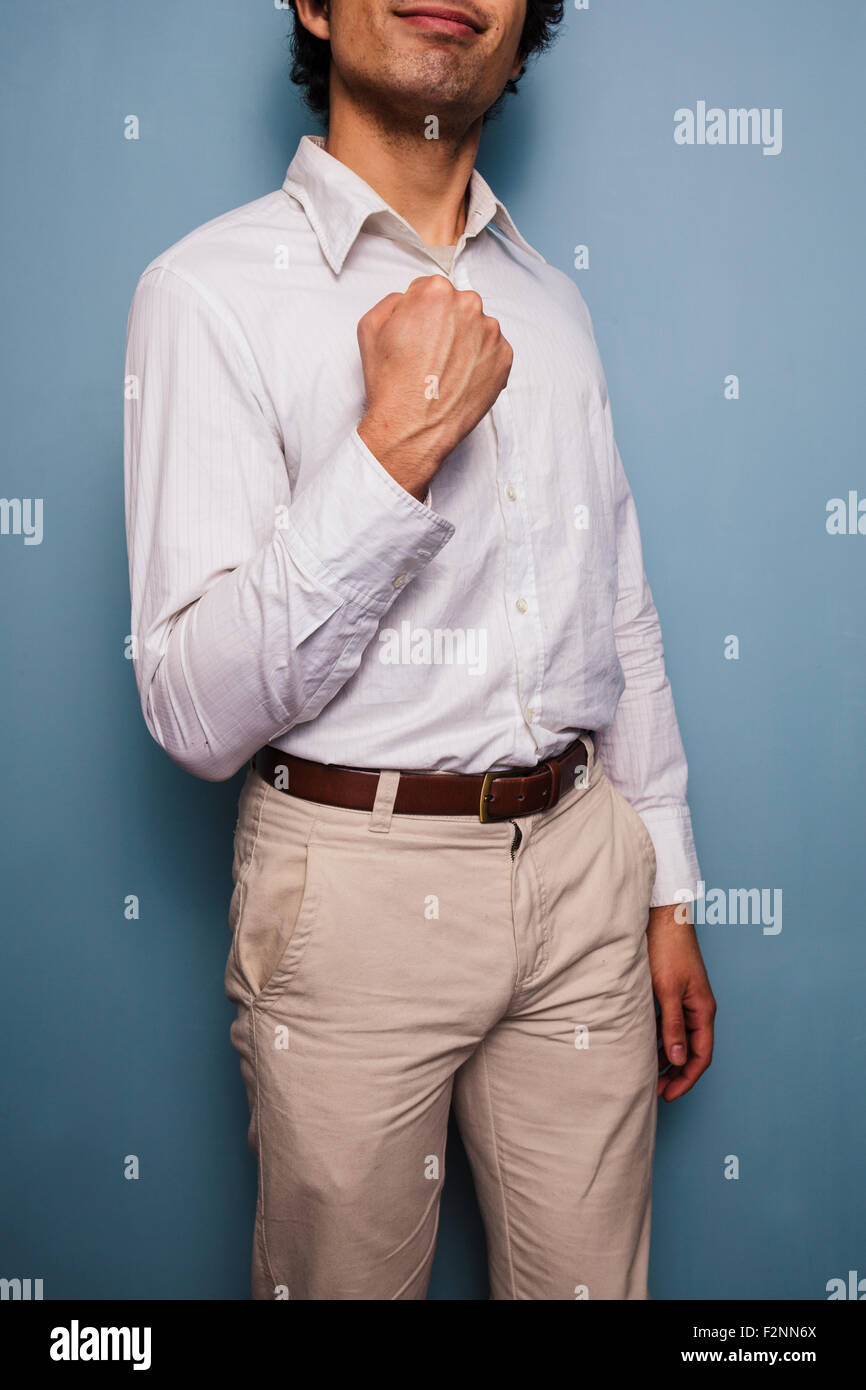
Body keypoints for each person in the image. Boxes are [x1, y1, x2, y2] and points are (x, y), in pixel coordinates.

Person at [123, 0, 716, 1300]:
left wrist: (665, 891)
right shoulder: (206, 293)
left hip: (582, 869)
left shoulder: (552, 303)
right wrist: (392, 451)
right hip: (349, 887)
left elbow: (615, 604)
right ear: (315, 5)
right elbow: (189, 707)